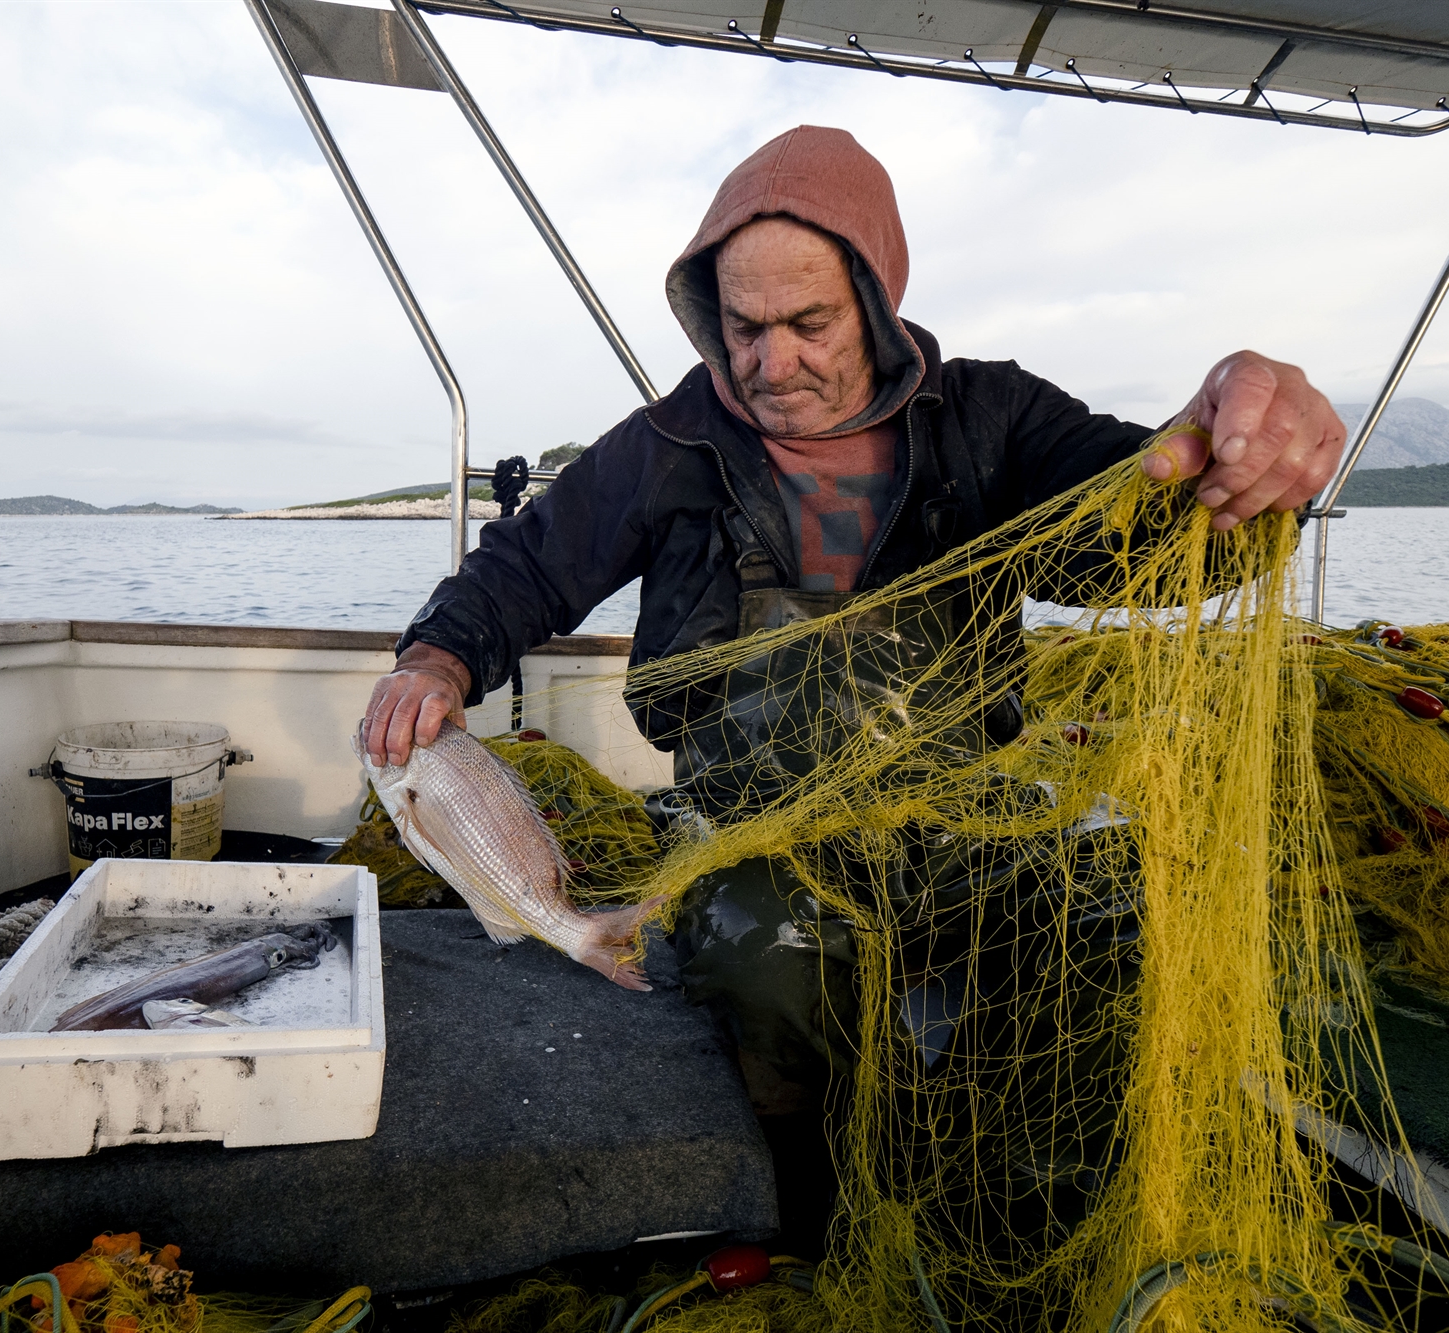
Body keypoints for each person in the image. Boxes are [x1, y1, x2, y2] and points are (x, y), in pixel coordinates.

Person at [356, 125, 1346, 1139]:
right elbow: (525, 564)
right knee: (767, 953)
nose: (769, 363)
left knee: (1114, 909)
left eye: (808, 323)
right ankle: (815, 1175)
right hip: (747, 833)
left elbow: (1124, 540)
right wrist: (436, 657)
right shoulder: (665, 446)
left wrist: (1231, 459)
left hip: (964, 814)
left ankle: (998, 1150)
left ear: (874, 303)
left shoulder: (991, 420)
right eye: (741, 327)